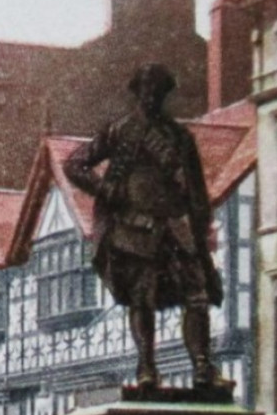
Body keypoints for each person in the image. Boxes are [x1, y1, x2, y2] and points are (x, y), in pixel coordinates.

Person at [63, 63, 227, 390]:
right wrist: (107, 190)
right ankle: (146, 367)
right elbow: (74, 164)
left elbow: (195, 188)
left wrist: (201, 224)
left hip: (177, 229)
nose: (152, 97)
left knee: (197, 296)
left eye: (158, 91)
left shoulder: (180, 138)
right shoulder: (121, 131)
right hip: (135, 229)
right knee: (143, 298)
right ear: (138, 93)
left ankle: (201, 365)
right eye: (147, 90)